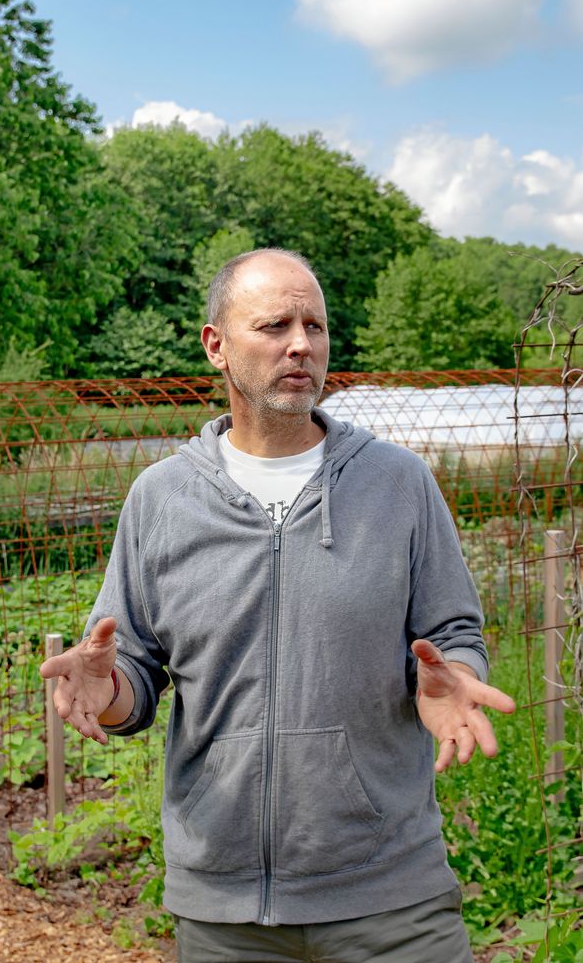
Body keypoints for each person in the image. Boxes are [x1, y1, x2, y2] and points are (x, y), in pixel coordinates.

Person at [40, 248, 515, 963]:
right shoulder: (162, 498)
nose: (301, 343)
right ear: (215, 346)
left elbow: (450, 628)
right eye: (273, 325)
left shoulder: (397, 483)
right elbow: (133, 678)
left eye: (314, 325)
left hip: (390, 898)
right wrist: (107, 687)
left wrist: (448, 670)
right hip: (224, 911)